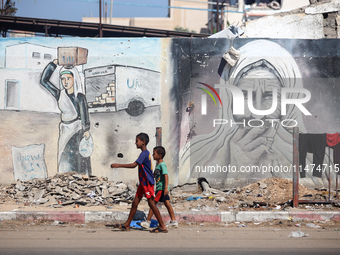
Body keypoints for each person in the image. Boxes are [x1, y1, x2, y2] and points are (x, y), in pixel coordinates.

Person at [40, 59, 92, 175]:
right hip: (65, 130)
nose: (65, 82)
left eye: (68, 78)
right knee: (64, 158)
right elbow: (44, 81)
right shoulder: (60, 94)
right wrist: (53, 64)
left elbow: (84, 115)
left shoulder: (80, 97)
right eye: (63, 79)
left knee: (78, 160)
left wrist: (86, 130)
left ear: (74, 78)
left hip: (77, 131)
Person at [110, 133, 168, 233]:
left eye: (137, 141)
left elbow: (134, 165)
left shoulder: (144, 153)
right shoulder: (145, 153)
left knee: (152, 204)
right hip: (143, 183)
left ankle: (162, 226)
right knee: (135, 203)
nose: (135, 143)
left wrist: (118, 165)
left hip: (147, 183)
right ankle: (127, 225)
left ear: (143, 142)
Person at [139, 146, 178, 229]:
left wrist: (166, 188)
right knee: (167, 204)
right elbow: (154, 176)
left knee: (153, 204)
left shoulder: (162, 165)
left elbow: (166, 176)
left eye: (154, 154)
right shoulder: (158, 165)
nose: (153, 155)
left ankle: (148, 221)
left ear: (159, 155)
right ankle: (173, 221)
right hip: (160, 188)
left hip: (161, 189)